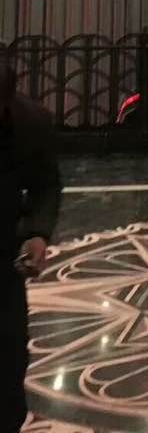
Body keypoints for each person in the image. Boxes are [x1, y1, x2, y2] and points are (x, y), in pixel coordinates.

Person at [0, 54, 62, 433]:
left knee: (9, 354)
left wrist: (38, 232)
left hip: (4, 253)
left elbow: (46, 185)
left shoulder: (31, 123)